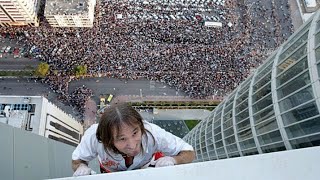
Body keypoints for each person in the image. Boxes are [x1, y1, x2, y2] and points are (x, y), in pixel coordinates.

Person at [72, 103, 195, 176]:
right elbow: (77, 160)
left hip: (148, 167)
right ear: (107, 139)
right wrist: (81, 167)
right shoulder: (94, 135)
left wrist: (174, 159)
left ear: (141, 126)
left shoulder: (152, 132)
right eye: (122, 139)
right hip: (110, 172)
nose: (132, 145)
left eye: (135, 133)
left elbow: (189, 152)